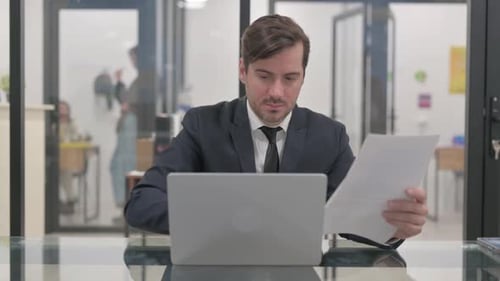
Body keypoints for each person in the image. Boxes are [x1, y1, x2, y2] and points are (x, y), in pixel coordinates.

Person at [124, 14, 428, 249]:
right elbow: (142, 203)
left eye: (290, 78)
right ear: (243, 70)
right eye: (264, 76)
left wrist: (392, 229)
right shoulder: (203, 126)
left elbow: (350, 219)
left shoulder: (329, 136)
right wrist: (221, 220)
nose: (277, 92)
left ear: (303, 76)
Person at [110, 101, 137, 224]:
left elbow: (129, 141)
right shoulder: (123, 118)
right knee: (120, 185)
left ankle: (127, 214)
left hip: (127, 158)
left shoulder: (131, 119)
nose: (122, 105)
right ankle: (123, 212)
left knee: (125, 186)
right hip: (121, 157)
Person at [58, 100, 80, 214]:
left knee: (67, 173)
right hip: (56, 157)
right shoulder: (53, 124)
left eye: (63, 108)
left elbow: (75, 137)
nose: (62, 110)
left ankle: (70, 200)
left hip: (69, 158)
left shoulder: (72, 124)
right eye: (60, 108)